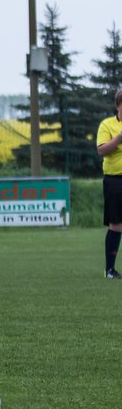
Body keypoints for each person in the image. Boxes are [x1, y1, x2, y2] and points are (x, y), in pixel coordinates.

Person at [97, 89, 122, 278]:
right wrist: (118, 139)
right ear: (117, 105)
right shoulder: (107, 125)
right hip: (115, 180)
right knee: (116, 224)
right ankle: (110, 270)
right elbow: (102, 150)